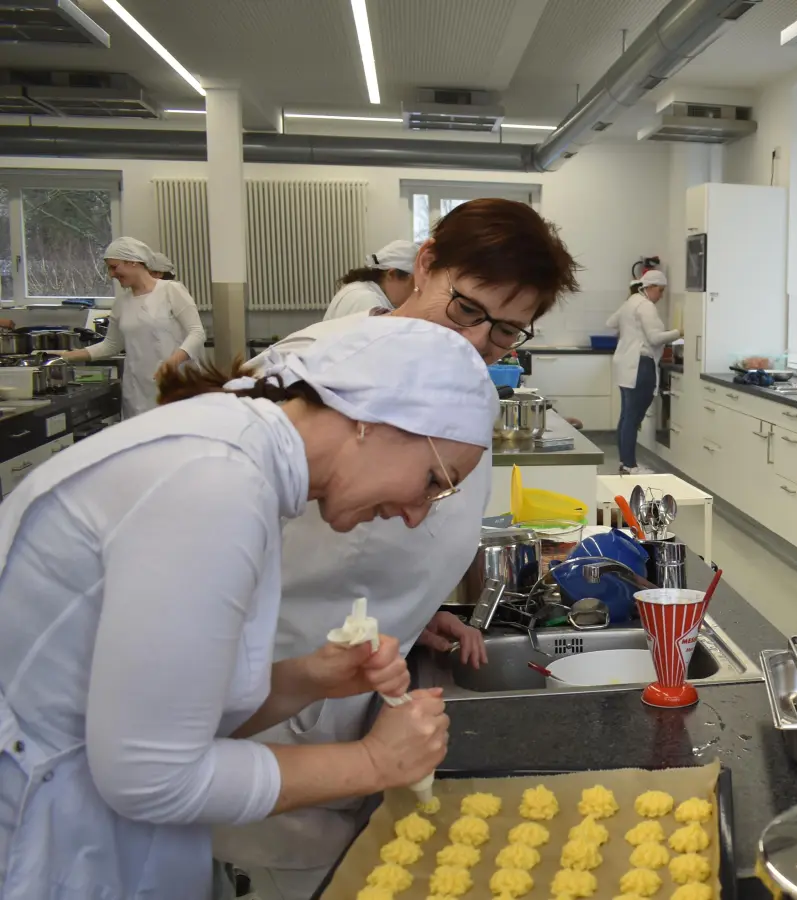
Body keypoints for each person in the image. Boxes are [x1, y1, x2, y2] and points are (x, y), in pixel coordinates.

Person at [0, 316, 499, 897]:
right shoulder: (215, 484)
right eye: (434, 481)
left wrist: (309, 678)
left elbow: (176, 713)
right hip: (46, 847)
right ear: (374, 419)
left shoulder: (239, 462)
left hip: (92, 834)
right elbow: (150, 775)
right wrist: (374, 763)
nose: (418, 514)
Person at [212, 197, 580, 899]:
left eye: (507, 332)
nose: (478, 343)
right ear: (425, 265)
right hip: (270, 716)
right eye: (467, 309)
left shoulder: (468, 392)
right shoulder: (311, 376)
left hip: (370, 689)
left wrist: (411, 609)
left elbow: (416, 522)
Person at [57, 237, 208, 418]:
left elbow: (197, 333)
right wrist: (67, 356)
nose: (111, 274)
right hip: (137, 391)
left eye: (114, 267)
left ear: (133, 262)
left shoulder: (171, 290)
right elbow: (110, 345)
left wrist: (172, 362)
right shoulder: (122, 302)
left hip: (175, 384)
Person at [607, 268, 679, 475]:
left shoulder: (630, 302)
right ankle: (630, 466)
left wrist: (629, 332)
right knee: (633, 416)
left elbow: (610, 323)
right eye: (661, 291)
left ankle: (626, 462)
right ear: (652, 287)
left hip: (625, 363)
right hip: (640, 364)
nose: (662, 296)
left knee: (627, 416)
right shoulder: (646, 306)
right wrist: (679, 332)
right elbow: (656, 338)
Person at [323, 239, 420, 320]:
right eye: (415, 285)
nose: (416, 293)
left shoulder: (363, 289)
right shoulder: (367, 302)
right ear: (391, 274)